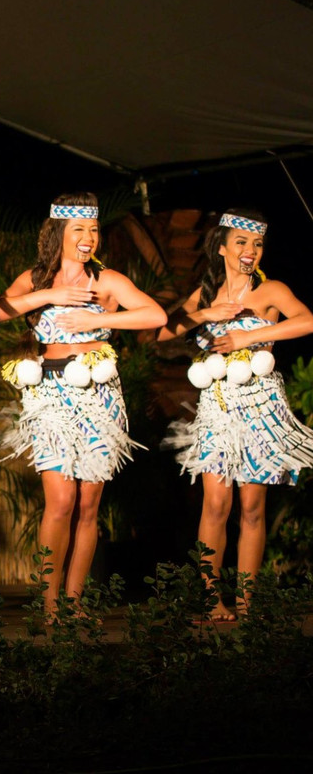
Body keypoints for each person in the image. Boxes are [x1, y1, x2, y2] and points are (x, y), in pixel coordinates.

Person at [0, 192, 166, 618]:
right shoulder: (35, 278)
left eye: (93, 230)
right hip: (51, 395)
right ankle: (49, 604)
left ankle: (74, 602)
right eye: (79, 230)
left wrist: (98, 320)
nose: (88, 238)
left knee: (89, 504)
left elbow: (155, 315)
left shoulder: (107, 282)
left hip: (100, 395)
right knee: (61, 501)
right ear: (58, 233)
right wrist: (46, 296)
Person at [159, 209, 313, 620]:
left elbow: (307, 321)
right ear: (223, 247)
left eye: (257, 244)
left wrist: (251, 335)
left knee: (253, 508)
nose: (250, 251)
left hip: (261, 404)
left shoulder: (272, 290)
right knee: (215, 504)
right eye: (242, 242)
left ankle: (246, 603)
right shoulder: (205, 294)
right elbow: (162, 332)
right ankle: (213, 601)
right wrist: (204, 315)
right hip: (218, 408)